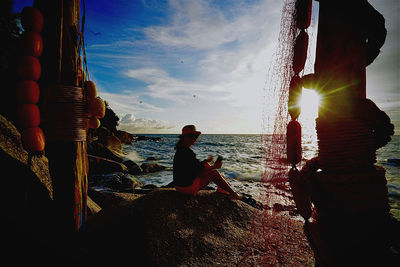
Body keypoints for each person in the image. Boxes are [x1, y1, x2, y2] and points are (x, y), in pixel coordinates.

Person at [173, 125, 241, 199]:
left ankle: (221, 188)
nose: (195, 138)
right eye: (193, 136)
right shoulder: (187, 152)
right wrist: (214, 167)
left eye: (196, 136)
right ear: (185, 138)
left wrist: (206, 161)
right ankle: (233, 194)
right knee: (214, 173)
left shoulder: (181, 150)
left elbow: (192, 166)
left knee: (206, 164)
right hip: (186, 188)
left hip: (179, 185)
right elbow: (197, 170)